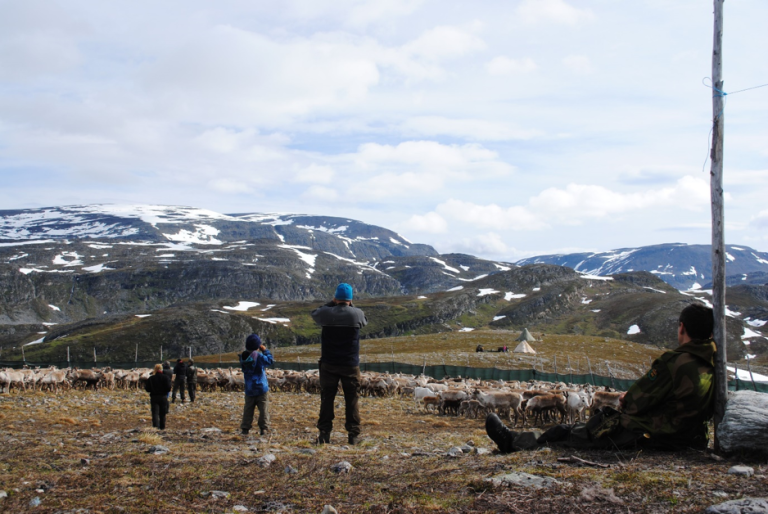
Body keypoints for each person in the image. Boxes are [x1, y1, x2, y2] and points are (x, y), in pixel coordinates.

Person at [486, 303, 717, 452]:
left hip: (654, 435)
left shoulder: (674, 362)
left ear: (682, 328)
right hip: (690, 437)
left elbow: (635, 402)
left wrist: (628, 398)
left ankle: (513, 441)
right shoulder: (713, 363)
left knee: (569, 432)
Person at [311, 283, 368, 445]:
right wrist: (350, 304)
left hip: (329, 363)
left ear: (335, 298)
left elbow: (315, 313)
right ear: (350, 299)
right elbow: (364, 321)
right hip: (350, 364)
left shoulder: (326, 313)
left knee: (327, 398)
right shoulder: (357, 314)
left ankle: (324, 434)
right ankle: (353, 435)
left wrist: (331, 303)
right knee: (352, 399)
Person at [239, 334, 274, 436]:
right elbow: (270, 360)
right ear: (257, 346)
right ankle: (264, 428)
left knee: (248, 408)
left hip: (249, 388)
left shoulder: (243, 357)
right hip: (261, 387)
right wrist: (265, 350)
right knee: (263, 409)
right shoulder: (258, 356)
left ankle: (245, 428)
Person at [145, 363, 172, 430]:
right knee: (162, 413)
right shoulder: (166, 378)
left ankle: (155, 427)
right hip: (163, 397)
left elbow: (147, 389)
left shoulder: (151, 378)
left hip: (154, 397)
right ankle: (162, 427)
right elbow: (169, 388)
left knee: (155, 413)